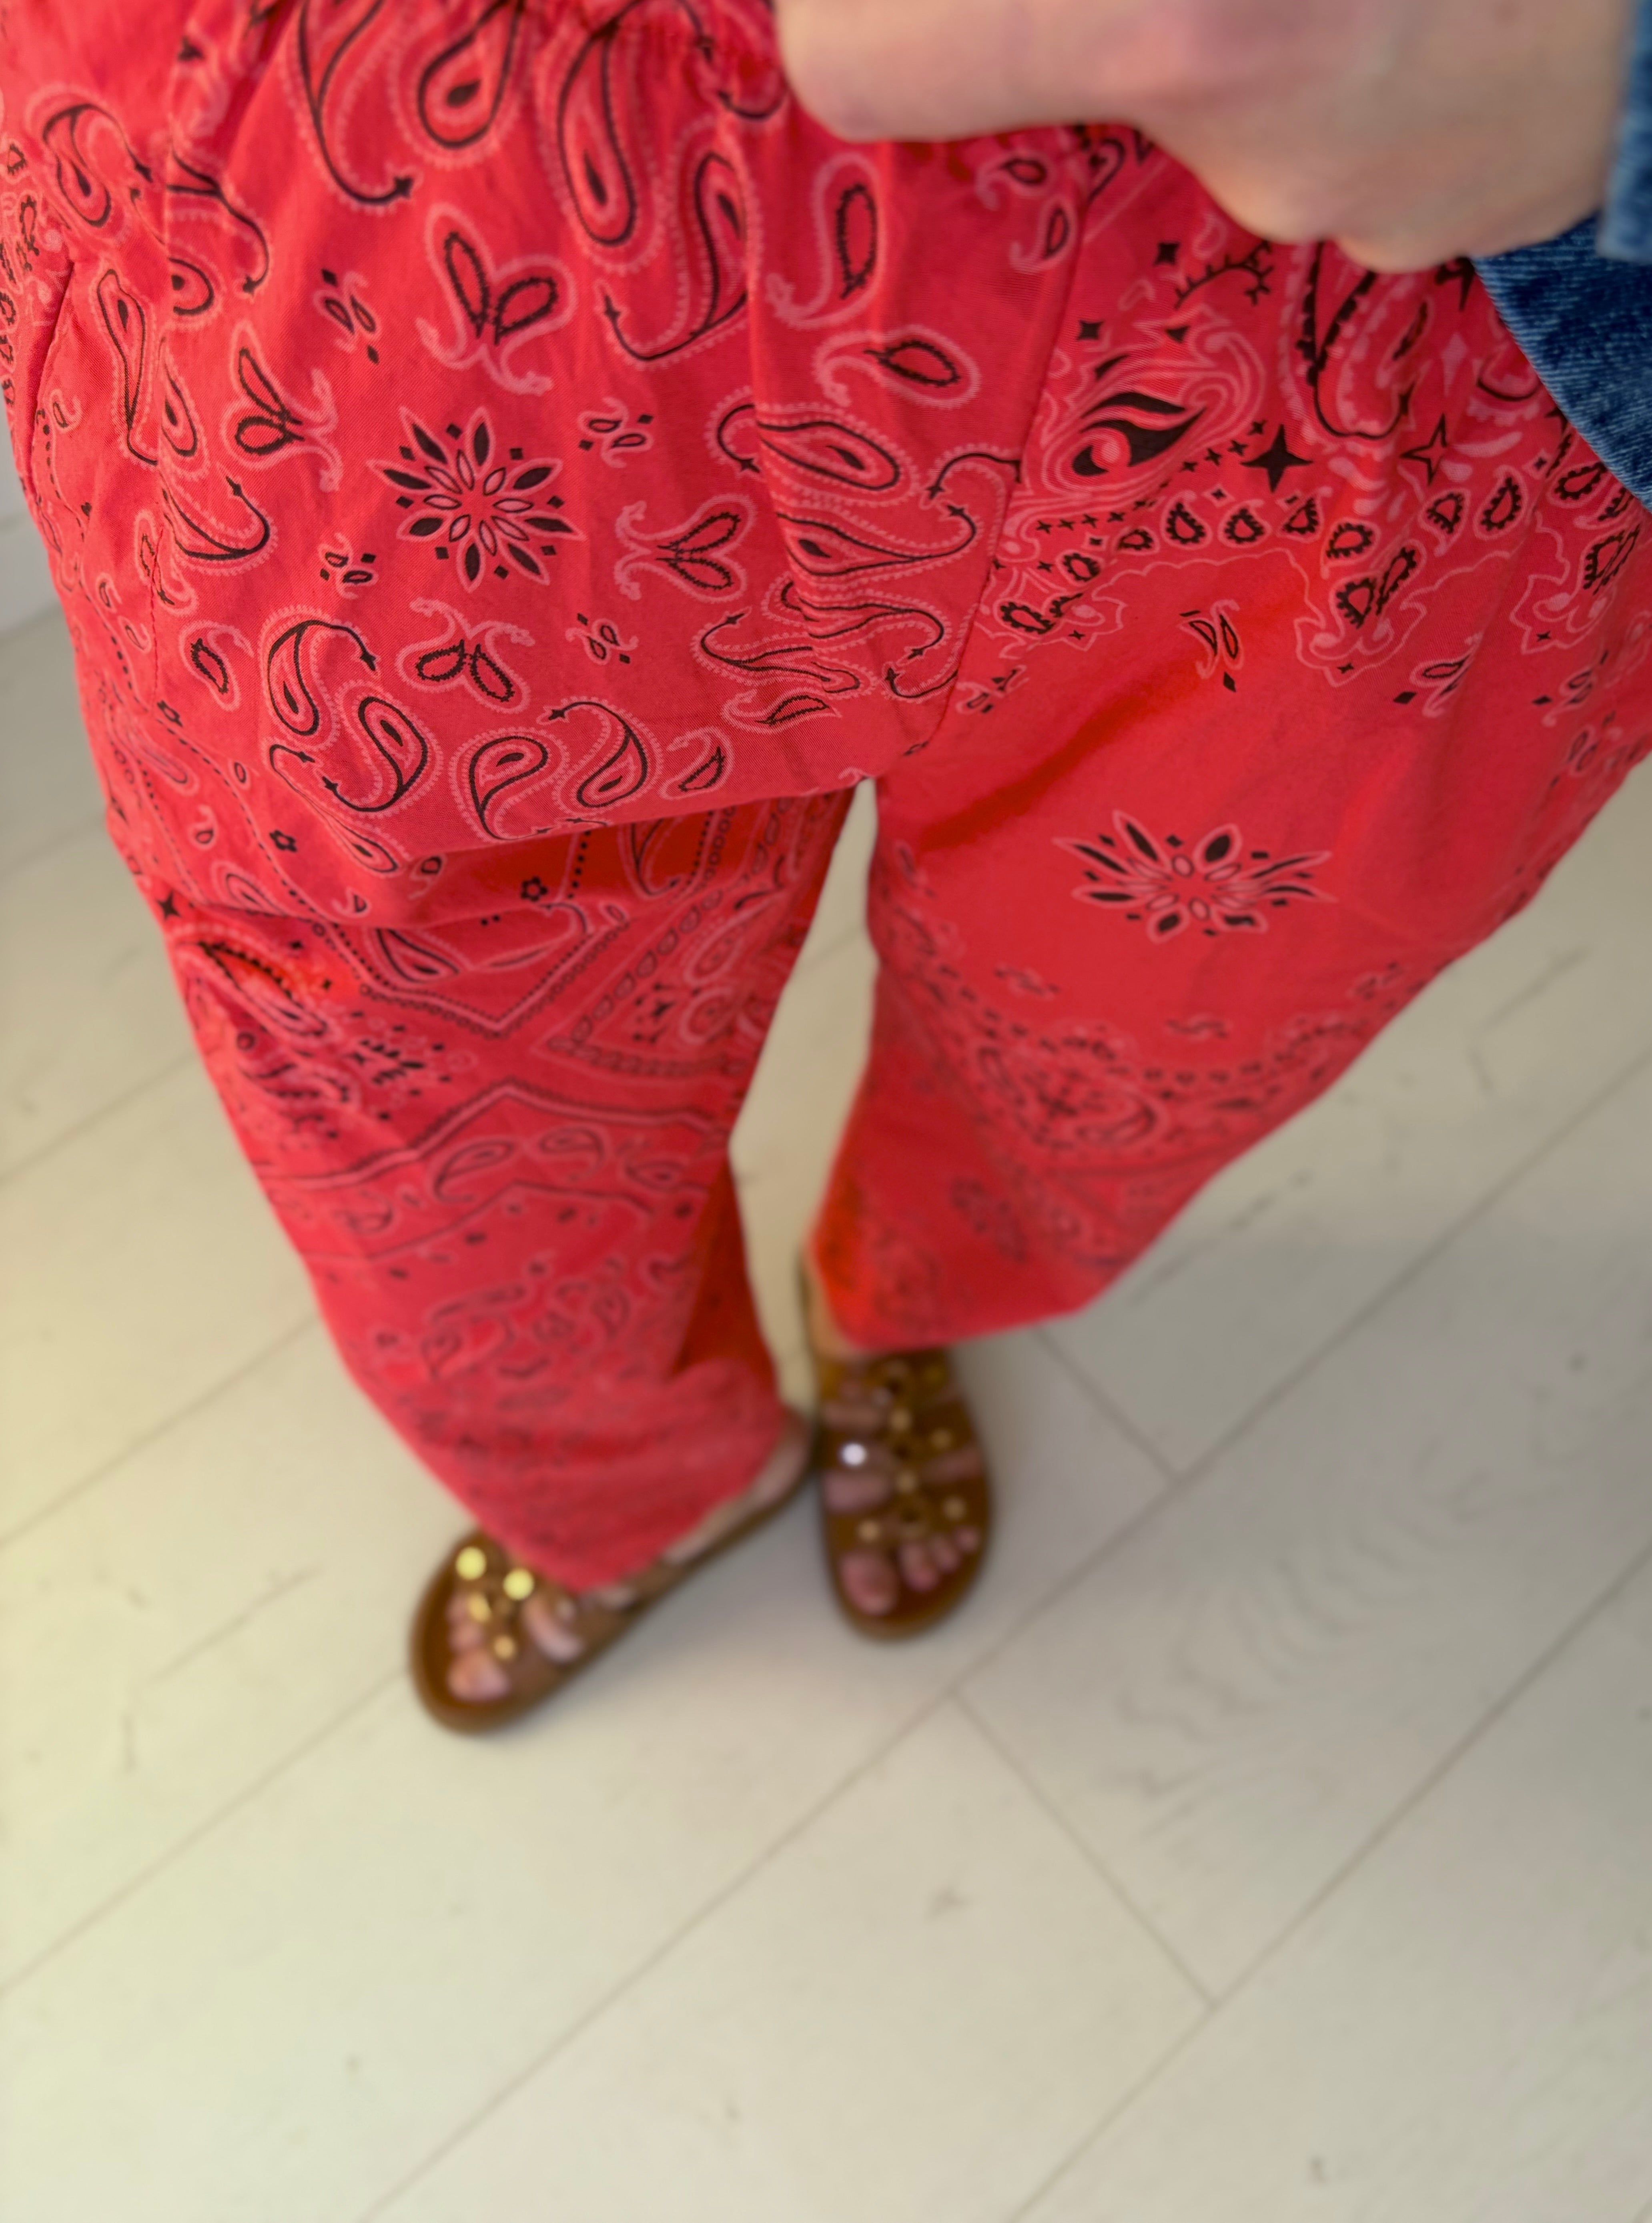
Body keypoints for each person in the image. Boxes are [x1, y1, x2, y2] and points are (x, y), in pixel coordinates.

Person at [2, 0, 1650, 1733]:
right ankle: (634, 1492)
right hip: (421, 180)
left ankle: (902, 1300)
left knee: (1140, 1045)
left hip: (1441, 263)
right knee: (424, 1116)